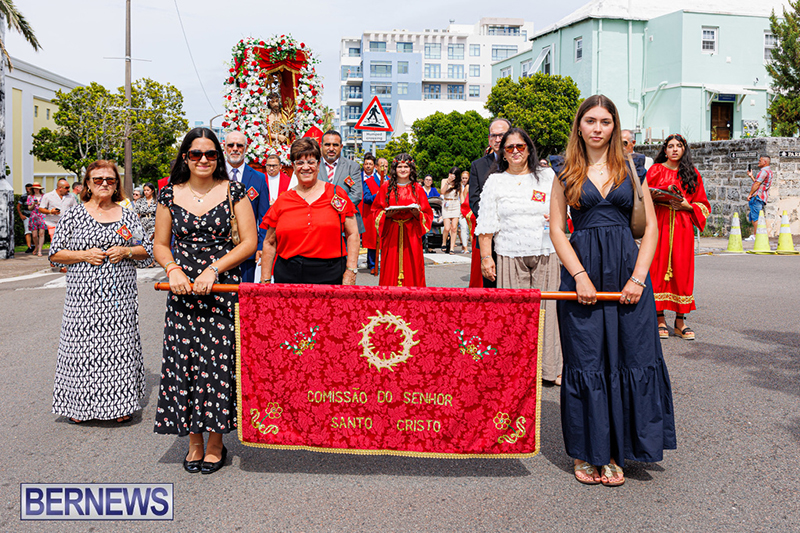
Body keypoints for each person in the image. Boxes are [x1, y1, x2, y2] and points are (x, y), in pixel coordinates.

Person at [549, 95, 675, 486]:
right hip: (582, 275)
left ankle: (619, 450)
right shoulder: (563, 170)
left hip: (627, 273)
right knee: (587, 361)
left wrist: (638, 278)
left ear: (615, 126)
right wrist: (580, 275)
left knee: (630, 356)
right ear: (580, 126)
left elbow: (651, 228)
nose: (598, 128)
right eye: (590, 121)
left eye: (605, 121)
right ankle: (589, 453)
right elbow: (557, 228)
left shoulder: (635, 167)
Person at [153, 127, 258, 475]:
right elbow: (160, 243)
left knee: (217, 366)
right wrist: (172, 269)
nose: (203, 160)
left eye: (210, 154)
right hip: (182, 292)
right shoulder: (168, 194)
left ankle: (216, 442)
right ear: (185, 157)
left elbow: (248, 242)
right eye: (196, 154)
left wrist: (214, 269)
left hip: (221, 289)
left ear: (219, 158)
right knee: (185, 363)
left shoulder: (233, 191)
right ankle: (192, 441)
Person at [49, 160, 152, 424]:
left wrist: (126, 250)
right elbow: (55, 254)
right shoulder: (73, 214)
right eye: (98, 180)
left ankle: (121, 405)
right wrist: (84, 254)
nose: (104, 184)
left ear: (117, 185)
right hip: (82, 299)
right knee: (82, 350)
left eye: (110, 180)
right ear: (87, 185)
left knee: (119, 348)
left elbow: (146, 250)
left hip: (120, 298)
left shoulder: (127, 214)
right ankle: (79, 407)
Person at [475, 128, 562, 385]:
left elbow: (563, 210)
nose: (515, 151)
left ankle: (549, 369)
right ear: (502, 152)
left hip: (546, 251)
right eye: (509, 147)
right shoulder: (495, 181)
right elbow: (487, 222)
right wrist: (486, 258)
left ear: (529, 149)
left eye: (520, 147)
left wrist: (558, 218)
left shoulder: (547, 176)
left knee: (549, 313)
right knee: (513, 316)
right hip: (510, 254)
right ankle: (514, 371)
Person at [259, 138, 360, 285]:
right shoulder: (283, 200)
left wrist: (351, 271)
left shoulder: (336, 194)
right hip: (288, 275)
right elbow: (269, 242)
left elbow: (353, 234)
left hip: (330, 274)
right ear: (293, 167)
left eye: (311, 162)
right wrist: (265, 280)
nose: (305, 167)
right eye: (300, 163)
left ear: (318, 164)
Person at [648, 134, 710, 340]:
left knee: (682, 271)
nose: (674, 149)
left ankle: (680, 322)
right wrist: (656, 196)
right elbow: (642, 195)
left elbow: (704, 205)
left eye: (679, 146)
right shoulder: (655, 170)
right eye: (670, 146)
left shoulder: (692, 174)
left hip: (682, 226)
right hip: (660, 222)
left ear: (684, 149)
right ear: (664, 150)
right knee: (657, 268)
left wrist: (687, 206)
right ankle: (659, 319)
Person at [372, 153, 433, 287]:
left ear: (411, 168)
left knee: (413, 266)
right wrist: (386, 215)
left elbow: (427, 213)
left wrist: (417, 214)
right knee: (390, 268)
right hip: (392, 233)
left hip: (411, 234)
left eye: (406, 166)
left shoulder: (417, 188)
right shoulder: (386, 187)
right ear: (395, 168)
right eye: (400, 166)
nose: (403, 169)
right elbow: (375, 210)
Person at [224, 130, 270, 283]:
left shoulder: (259, 178)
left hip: (248, 250)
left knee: (245, 297)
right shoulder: (215, 175)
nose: (235, 149)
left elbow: (264, 216)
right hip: (219, 248)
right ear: (224, 148)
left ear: (246, 148)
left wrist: (261, 247)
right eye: (231, 145)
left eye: (239, 145)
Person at [470, 118, 511, 287]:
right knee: (492, 287)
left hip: (517, 236)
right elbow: (474, 200)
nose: (498, 139)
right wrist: (495, 220)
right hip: (490, 236)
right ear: (489, 139)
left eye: (502, 135)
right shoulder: (478, 166)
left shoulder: (522, 163)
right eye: (494, 135)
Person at [318, 130, 364, 234]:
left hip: (346, 224)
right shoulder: (313, 166)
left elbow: (356, 195)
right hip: (319, 222)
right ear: (321, 146)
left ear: (341, 147)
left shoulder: (352, 167)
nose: (331, 148)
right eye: (327, 145)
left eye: (335, 145)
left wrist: (335, 209)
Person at [360, 153, 381, 274]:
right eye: (366, 164)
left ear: (375, 166)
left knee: (374, 238)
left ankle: (373, 263)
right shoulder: (358, 177)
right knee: (367, 238)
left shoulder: (383, 179)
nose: (368, 166)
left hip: (373, 213)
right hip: (361, 210)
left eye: (370, 164)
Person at [746, 155, 773, 238]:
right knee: (754, 215)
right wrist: (751, 176)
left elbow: (757, 184)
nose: (758, 162)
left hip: (757, 196)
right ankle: (756, 235)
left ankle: (756, 236)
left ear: (764, 162)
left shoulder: (763, 171)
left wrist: (750, 194)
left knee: (755, 217)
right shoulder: (769, 171)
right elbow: (759, 183)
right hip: (762, 196)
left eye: (760, 161)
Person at [440, 167, 462, 254]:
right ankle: (444, 242)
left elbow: (461, 196)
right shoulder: (444, 180)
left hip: (455, 204)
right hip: (446, 204)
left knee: (454, 228)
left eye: (453, 175)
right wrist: (448, 182)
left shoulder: (458, 184)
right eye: (450, 174)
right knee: (447, 227)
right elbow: (442, 192)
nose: (451, 176)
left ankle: (452, 247)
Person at [26, 183, 46, 256]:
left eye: (37, 188)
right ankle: (36, 246)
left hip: (42, 215)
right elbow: (29, 208)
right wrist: (33, 204)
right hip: (34, 216)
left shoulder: (44, 196)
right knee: (34, 235)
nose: (36, 189)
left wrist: (40, 204)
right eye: (34, 188)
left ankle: (39, 250)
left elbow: (46, 206)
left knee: (41, 233)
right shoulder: (30, 197)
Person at [16, 183, 34, 253]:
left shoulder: (35, 196)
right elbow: (18, 206)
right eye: (27, 189)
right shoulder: (24, 196)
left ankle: (33, 245)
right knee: (27, 232)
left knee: (34, 232)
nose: (28, 190)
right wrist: (21, 215)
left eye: (29, 189)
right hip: (26, 215)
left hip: (34, 216)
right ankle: (29, 247)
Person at [458, 170, 471, 253]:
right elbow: (462, 197)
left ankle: (464, 246)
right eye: (463, 178)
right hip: (461, 207)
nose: (464, 180)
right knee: (463, 227)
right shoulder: (459, 186)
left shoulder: (470, 186)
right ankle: (465, 247)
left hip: (468, 208)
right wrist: (463, 210)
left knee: (467, 228)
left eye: (466, 178)